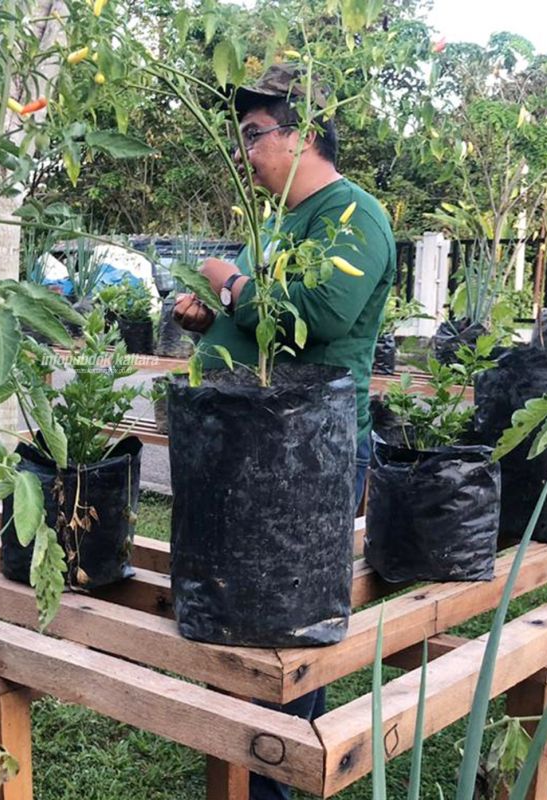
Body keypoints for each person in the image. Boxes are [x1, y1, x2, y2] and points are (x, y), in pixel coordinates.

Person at [174, 64, 396, 800]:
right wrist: (210, 311)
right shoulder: (275, 224)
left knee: (288, 626)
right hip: (247, 454)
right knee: (249, 616)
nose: (245, 150)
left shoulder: (353, 216)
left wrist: (230, 284)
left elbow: (321, 316)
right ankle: (249, 766)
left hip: (310, 458)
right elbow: (254, 316)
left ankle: (274, 780)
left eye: (254, 134)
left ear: (303, 134)